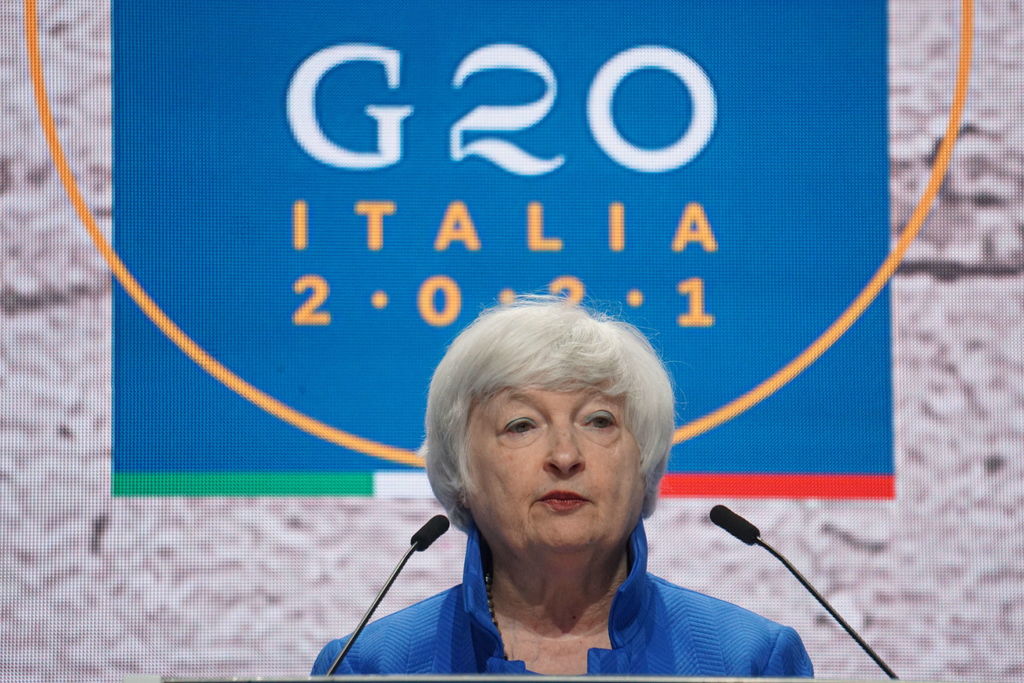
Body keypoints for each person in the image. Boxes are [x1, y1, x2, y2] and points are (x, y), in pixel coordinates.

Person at [312, 296, 813, 677]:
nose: (566, 456)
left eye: (599, 421)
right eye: (521, 425)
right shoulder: (371, 669)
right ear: (459, 472)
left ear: (645, 464)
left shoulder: (746, 663)